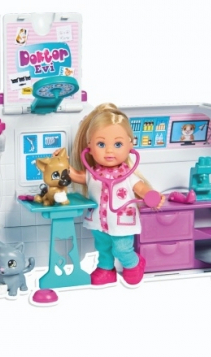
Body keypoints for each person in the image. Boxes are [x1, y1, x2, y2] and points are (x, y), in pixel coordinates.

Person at [66, 103, 163, 286]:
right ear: (89, 146)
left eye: (117, 144)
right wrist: (61, 163)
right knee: (102, 247)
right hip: (99, 221)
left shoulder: (128, 175)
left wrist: (152, 196)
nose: (109, 151)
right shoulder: (92, 174)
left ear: (130, 145)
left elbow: (142, 189)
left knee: (121, 248)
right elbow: (76, 175)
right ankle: (106, 269)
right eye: (101, 144)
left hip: (121, 221)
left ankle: (133, 264)